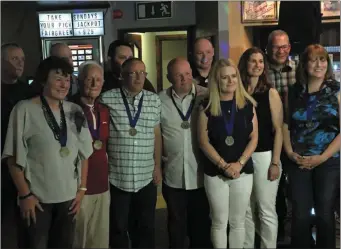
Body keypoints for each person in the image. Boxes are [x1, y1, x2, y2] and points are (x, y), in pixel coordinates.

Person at [1, 56, 93, 249]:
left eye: (67, 79)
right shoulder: (24, 109)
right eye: (58, 78)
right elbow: (12, 157)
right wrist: (25, 195)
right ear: (43, 80)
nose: (64, 84)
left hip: (68, 198)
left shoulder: (75, 110)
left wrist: (82, 189)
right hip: (37, 200)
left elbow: (84, 154)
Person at [99, 57, 162, 248]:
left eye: (142, 73)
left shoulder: (154, 100)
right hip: (118, 176)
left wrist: (157, 166)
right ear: (121, 76)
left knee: (146, 228)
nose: (138, 77)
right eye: (132, 73)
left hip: (146, 176)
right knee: (118, 228)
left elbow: (156, 135)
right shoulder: (107, 98)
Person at [283, 44, 340, 248]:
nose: (319, 64)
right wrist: (290, 153)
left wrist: (322, 158)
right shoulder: (294, 91)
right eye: (313, 60)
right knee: (300, 215)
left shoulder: (336, 91)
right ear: (304, 65)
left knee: (325, 213)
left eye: (322, 59)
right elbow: (285, 125)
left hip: (328, 161)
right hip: (298, 160)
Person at [198, 58, 258, 248]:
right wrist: (223, 165)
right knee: (219, 222)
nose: (231, 81)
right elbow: (203, 141)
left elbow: (254, 137)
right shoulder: (206, 106)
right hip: (216, 171)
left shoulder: (248, 104)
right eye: (225, 77)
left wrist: (239, 163)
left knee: (238, 222)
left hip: (242, 170)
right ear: (217, 80)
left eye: (234, 76)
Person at [158, 57, 211, 248]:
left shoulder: (206, 96)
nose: (184, 79)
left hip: (202, 174)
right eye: (178, 75)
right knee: (175, 226)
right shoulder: (160, 100)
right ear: (168, 78)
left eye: (187, 73)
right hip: (173, 175)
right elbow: (157, 136)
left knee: (201, 226)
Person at [238, 47, 283, 248]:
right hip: (241, 157)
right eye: (253, 61)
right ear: (244, 64)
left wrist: (275, 162)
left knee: (266, 209)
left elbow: (279, 130)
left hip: (265, 156)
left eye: (261, 61)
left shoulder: (270, 93)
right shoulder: (236, 92)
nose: (257, 65)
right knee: (245, 209)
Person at [70, 61, 110, 248]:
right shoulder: (69, 109)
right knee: (79, 239)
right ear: (79, 81)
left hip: (102, 184)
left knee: (100, 240)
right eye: (89, 79)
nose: (94, 84)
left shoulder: (103, 110)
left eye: (98, 79)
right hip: (79, 188)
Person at [1, 42, 33, 248]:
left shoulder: (27, 92)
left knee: (26, 223)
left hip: (23, 165)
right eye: (14, 59)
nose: (20, 64)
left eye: (22, 59)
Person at [266, 29, 297, 241]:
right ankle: (276, 235)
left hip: (295, 136)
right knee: (273, 187)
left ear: (290, 48)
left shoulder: (299, 69)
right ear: (268, 48)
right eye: (276, 46)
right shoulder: (261, 69)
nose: (281, 51)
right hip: (269, 137)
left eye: (284, 46)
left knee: (296, 187)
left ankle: (297, 232)